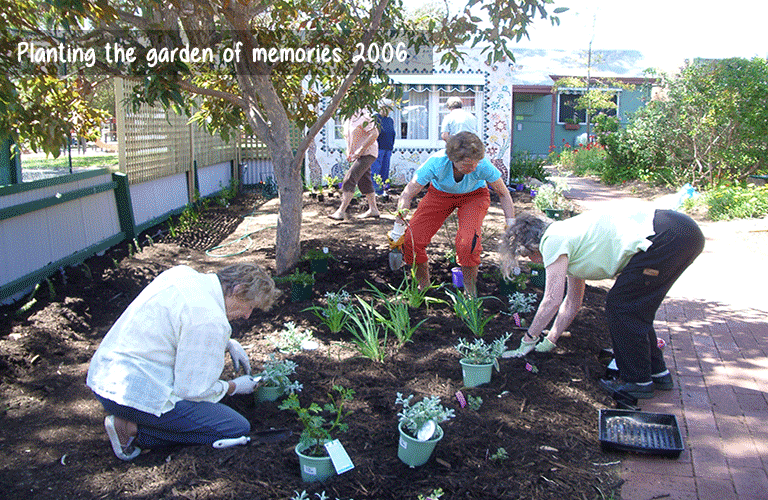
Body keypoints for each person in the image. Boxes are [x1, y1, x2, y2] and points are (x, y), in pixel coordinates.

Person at [499, 206, 705, 399]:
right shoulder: (566, 241)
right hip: (679, 232)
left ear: (532, 245)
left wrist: (528, 340)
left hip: (668, 236)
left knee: (622, 306)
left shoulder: (552, 241)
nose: (532, 261)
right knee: (633, 307)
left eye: (527, 256)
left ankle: (638, 382)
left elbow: (551, 300)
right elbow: (572, 301)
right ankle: (657, 372)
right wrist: (551, 339)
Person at [87, 263, 282, 460]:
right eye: (250, 307)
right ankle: (130, 428)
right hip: (133, 397)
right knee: (234, 427)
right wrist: (232, 387)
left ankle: (134, 421)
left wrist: (226, 342)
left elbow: (175, 328)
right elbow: (192, 391)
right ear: (237, 290)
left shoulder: (182, 274)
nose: (248, 315)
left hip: (104, 378)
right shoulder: (209, 320)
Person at [388, 131, 515, 296]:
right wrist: (397, 230)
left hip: (474, 196)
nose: (473, 168)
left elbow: (504, 193)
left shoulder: (482, 165)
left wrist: (511, 225)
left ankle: (470, 292)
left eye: (475, 163)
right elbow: (408, 194)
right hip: (440, 195)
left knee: (468, 243)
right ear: (452, 159)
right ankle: (424, 287)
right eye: (467, 165)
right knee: (412, 239)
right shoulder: (436, 163)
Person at [329, 109, 381, 220]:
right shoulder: (347, 118)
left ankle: (341, 211)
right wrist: (349, 152)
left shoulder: (364, 116)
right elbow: (349, 137)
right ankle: (373, 209)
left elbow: (374, 133)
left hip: (368, 153)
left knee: (349, 178)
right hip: (358, 155)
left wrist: (361, 149)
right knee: (364, 181)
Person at [370, 101, 396, 195]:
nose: (389, 110)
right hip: (378, 148)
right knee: (375, 170)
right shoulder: (376, 118)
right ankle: (376, 191)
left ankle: (383, 190)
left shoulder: (390, 120)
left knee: (385, 170)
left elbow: (392, 134)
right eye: (388, 108)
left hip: (388, 149)